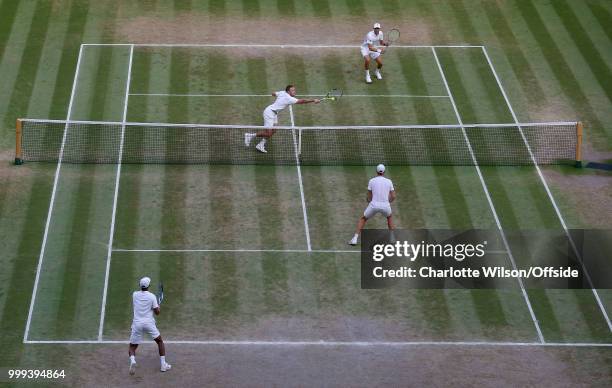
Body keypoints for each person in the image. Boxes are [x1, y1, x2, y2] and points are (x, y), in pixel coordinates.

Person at [244, 85, 320, 153]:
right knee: (268, 133)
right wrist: (313, 100)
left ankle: (260, 145)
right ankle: (250, 136)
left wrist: (278, 96)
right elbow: (302, 101)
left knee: (274, 130)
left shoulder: (282, 92)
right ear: (288, 91)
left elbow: (273, 93)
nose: (294, 91)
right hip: (269, 113)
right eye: (292, 90)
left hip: (274, 113)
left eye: (294, 90)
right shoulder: (289, 98)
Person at [128, 277, 171, 375]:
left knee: (132, 347)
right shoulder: (152, 297)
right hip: (149, 323)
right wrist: (157, 307)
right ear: (149, 286)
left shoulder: (134, 295)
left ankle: (133, 361)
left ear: (140, 285)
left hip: (137, 324)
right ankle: (163, 365)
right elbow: (157, 312)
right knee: (160, 341)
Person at [349, 164, 396, 246]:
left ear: (376, 171)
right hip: (385, 206)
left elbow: (369, 196)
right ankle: (392, 238)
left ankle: (355, 239)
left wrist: (369, 200)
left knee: (363, 218)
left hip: (373, 205)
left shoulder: (371, 181)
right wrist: (388, 201)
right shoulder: (389, 181)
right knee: (389, 217)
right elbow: (393, 196)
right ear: (384, 172)